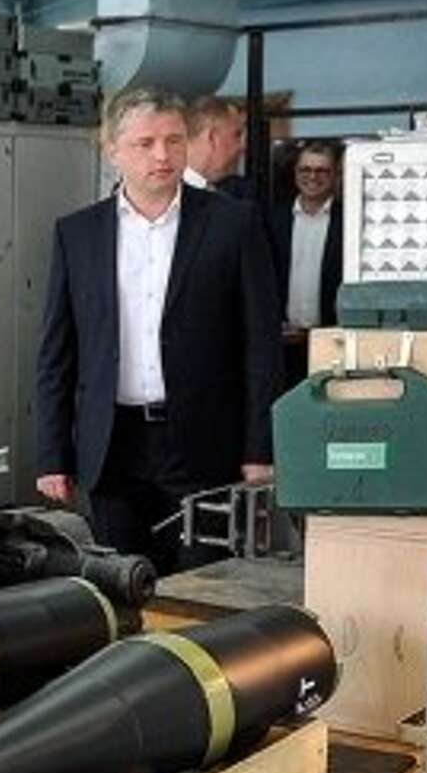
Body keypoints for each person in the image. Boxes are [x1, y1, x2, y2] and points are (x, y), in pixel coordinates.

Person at [33, 87, 280, 574]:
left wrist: (260, 449)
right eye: (145, 143)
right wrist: (51, 454)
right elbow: (57, 353)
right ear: (112, 150)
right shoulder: (78, 234)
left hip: (203, 443)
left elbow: (261, 348)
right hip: (113, 445)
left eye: (174, 140)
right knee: (121, 582)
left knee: (200, 586)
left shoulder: (233, 225)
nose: (162, 155)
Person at [268, 139, 346, 384]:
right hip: (282, 344)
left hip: (332, 343)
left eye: (322, 171)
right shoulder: (272, 220)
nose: (313, 177)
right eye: (306, 169)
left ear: (335, 176)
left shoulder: (348, 221)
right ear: (295, 173)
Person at [183, 95, 255, 200]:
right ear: (211, 138)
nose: (243, 147)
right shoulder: (167, 195)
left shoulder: (234, 193)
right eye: (237, 135)